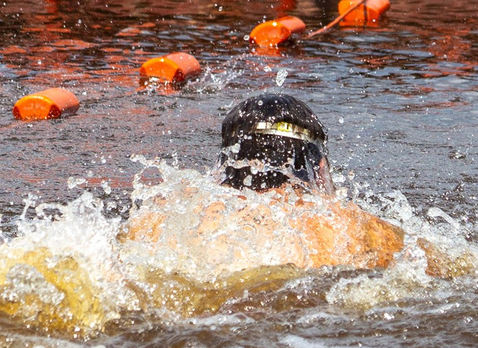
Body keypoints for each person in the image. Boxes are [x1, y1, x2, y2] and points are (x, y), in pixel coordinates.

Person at [114, 94, 459, 281]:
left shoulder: (161, 220)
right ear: (320, 168)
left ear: (222, 165)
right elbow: (461, 271)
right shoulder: (354, 227)